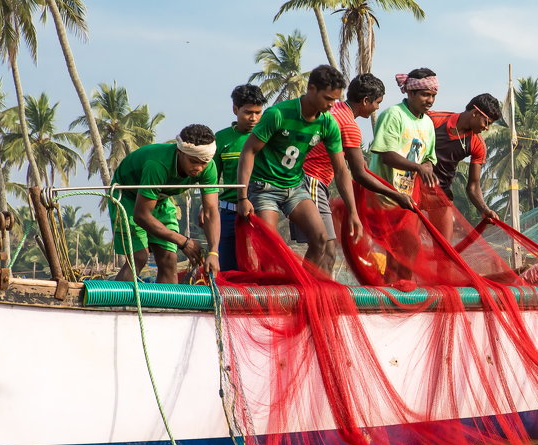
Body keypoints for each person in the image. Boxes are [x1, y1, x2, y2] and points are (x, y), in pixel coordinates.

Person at [236, 64, 363, 269]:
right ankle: (273, 297)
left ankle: (301, 288)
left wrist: (353, 213)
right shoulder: (278, 114)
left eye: (335, 100)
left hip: (295, 187)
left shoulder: (328, 123)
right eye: (328, 99)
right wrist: (242, 197)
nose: (331, 105)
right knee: (271, 248)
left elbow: (341, 170)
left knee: (321, 238)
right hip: (265, 187)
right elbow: (248, 152)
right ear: (311, 89)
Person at [294, 73, 414, 252]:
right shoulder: (349, 125)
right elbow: (360, 174)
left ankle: (311, 281)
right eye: (377, 102)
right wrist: (396, 195)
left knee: (325, 249)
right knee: (324, 248)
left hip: (303, 179)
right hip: (311, 181)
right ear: (366, 101)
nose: (377, 108)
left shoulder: (336, 110)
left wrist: (353, 157)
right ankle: (308, 281)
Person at [110, 124, 221, 283]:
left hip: (160, 199)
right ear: (180, 151)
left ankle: (165, 308)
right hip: (127, 197)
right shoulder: (157, 165)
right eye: (193, 161)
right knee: (138, 258)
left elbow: (210, 211)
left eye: (203, 163)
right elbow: (141, 215)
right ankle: (115, 303)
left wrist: (214, 253)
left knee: (169, 260)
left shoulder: (208, 167)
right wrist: (184, 241)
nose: (198, 168)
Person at [212, 84, 266, 271]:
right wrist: (206, 206)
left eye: (258, 113)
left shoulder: (268, 137)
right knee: (228, 270)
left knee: (260, 269)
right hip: (228, 214)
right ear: (235, 109)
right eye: (248, 112)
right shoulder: (221, 139)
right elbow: (211, 179)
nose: (253, 118)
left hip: (261, 212)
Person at [427, 93, 502, 223]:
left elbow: (473, 186)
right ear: (475, 113)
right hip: (414, 188)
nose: (487, 128)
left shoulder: (477, 144)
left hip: (441, 195)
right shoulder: (433, 119)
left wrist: (484, 210)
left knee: (444, 242)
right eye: (486, 122)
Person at [370, 68, 439, 197]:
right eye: (425, 94)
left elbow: (429, 158)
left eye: (433, 95)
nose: (430, 100)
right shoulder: (393, 115)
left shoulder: (428, 123)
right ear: (411, 93)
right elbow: (387, 156)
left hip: (406, 198)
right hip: (381, 197)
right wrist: (418, 168)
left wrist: (427, 167)